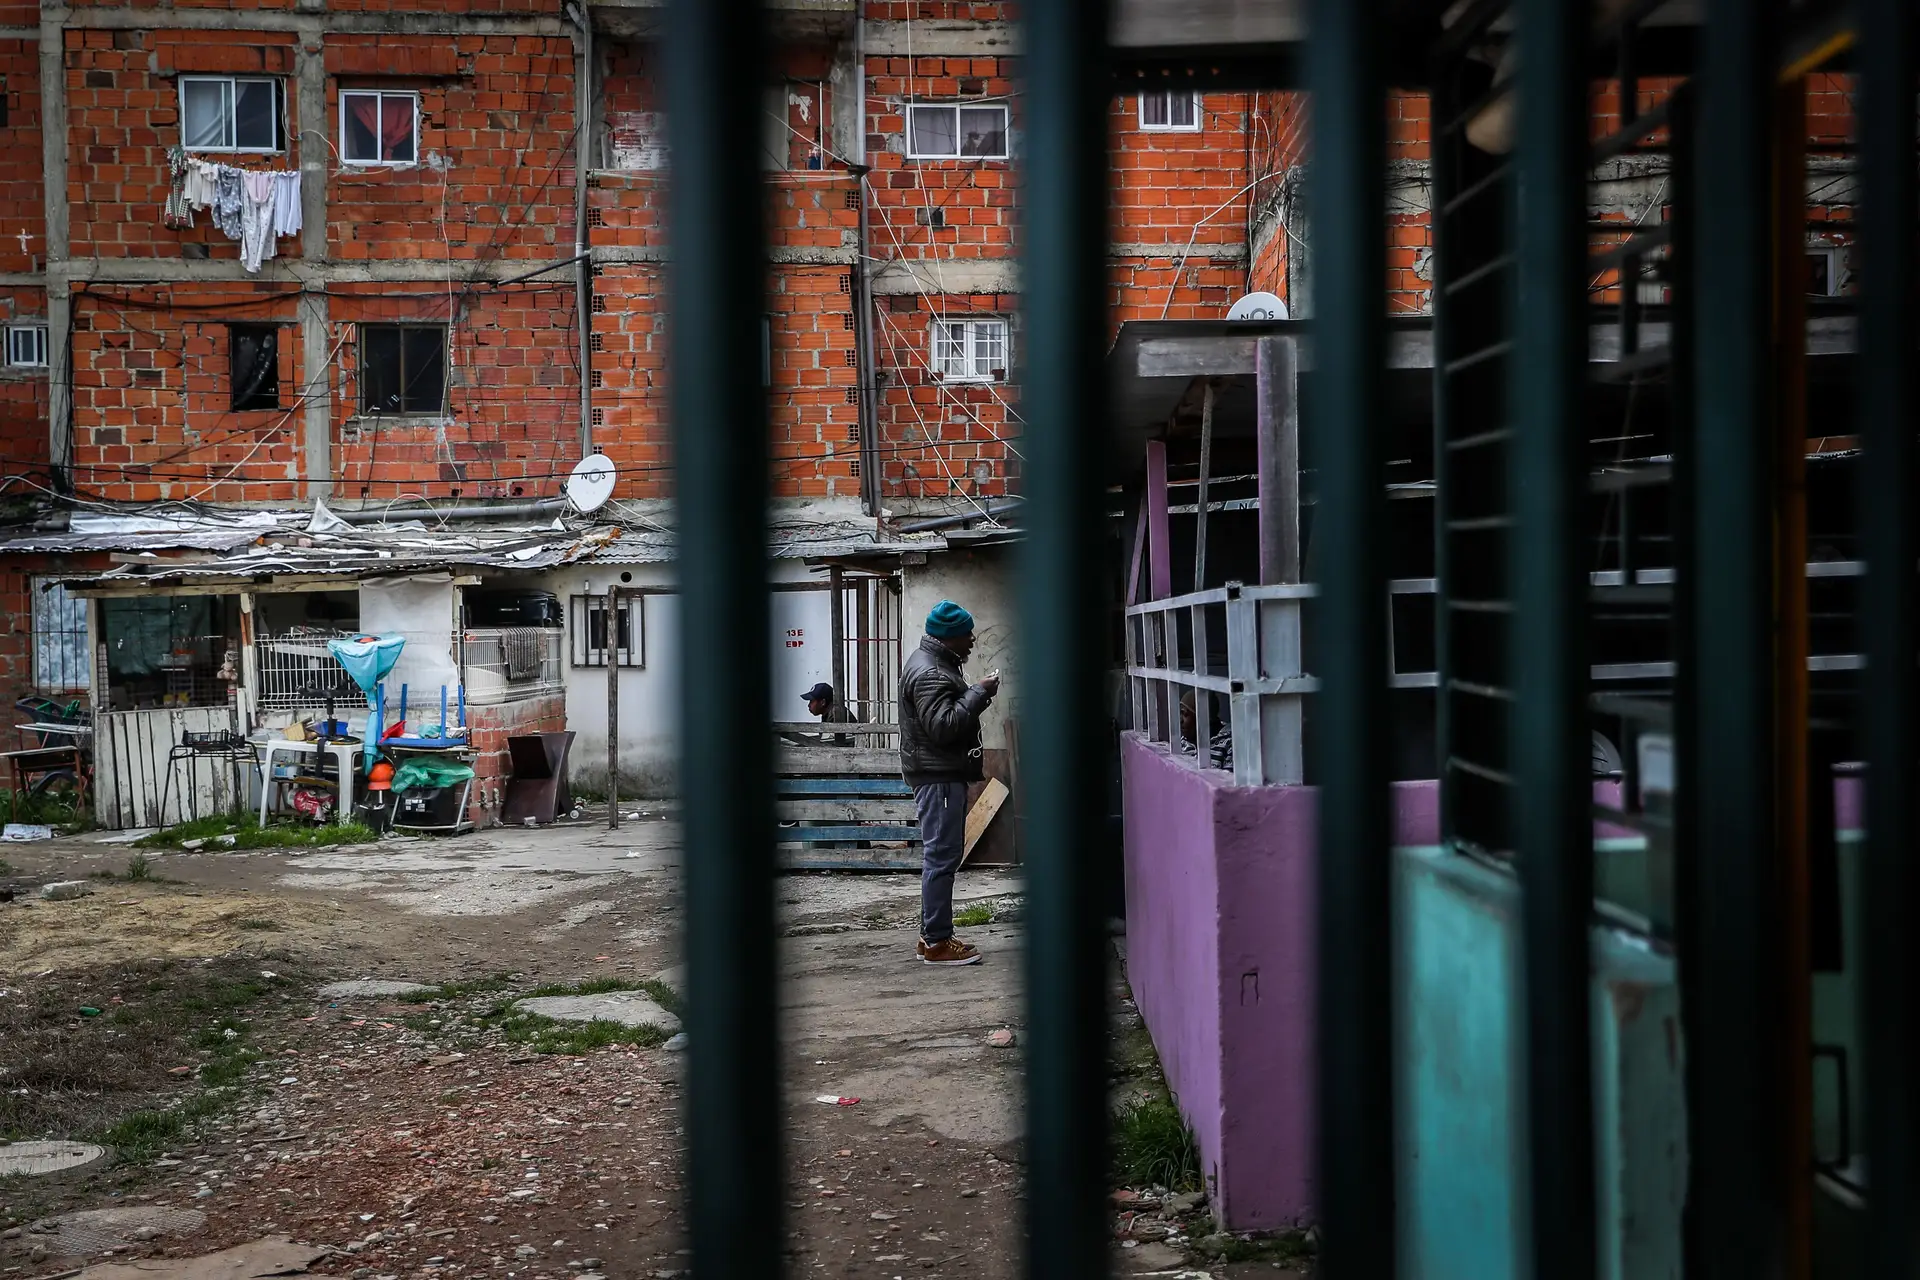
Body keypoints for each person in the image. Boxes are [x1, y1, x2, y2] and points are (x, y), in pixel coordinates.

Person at [899, 599, 999, 966]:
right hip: (938, 777)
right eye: (966, 634)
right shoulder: (931, 674)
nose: (972, 639)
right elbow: (942, 728)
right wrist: (979, 692)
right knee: (942, 857)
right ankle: (938, 941)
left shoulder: (935, 665)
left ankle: (932, 936)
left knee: (941, 856)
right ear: (949, 638)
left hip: (938, 774)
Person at [784, 681, 854, 746]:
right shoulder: (828, 714)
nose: (809, 705)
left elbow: (829, 744)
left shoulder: (837, 715)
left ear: (822, 702)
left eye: (811, 701)